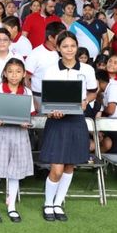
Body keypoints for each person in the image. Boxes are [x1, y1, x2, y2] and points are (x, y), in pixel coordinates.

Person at [39, 31, 97, 222]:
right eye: (65, 46)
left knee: (70, 165)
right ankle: (48, 203)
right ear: (58, 48)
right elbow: (46, 98)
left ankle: (58, 203)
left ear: (77, 46)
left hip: (76, 120)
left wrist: (84, 102)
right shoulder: (50, 70)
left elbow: (93, 92)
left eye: (72, 46)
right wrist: (51, 111)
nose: (69, 50)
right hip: (56, 121)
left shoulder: (87, 69)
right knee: (56, 168)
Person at [0, 58, 34, 223]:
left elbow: (30, 115)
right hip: (1, 134)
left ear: (24, 74)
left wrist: (27, 123)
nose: (14, 75)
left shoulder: (27, 92)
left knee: (15, 173)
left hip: (19, 135)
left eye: (18, 71)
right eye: (10, 71)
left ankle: (11, 207)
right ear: (5, 73)